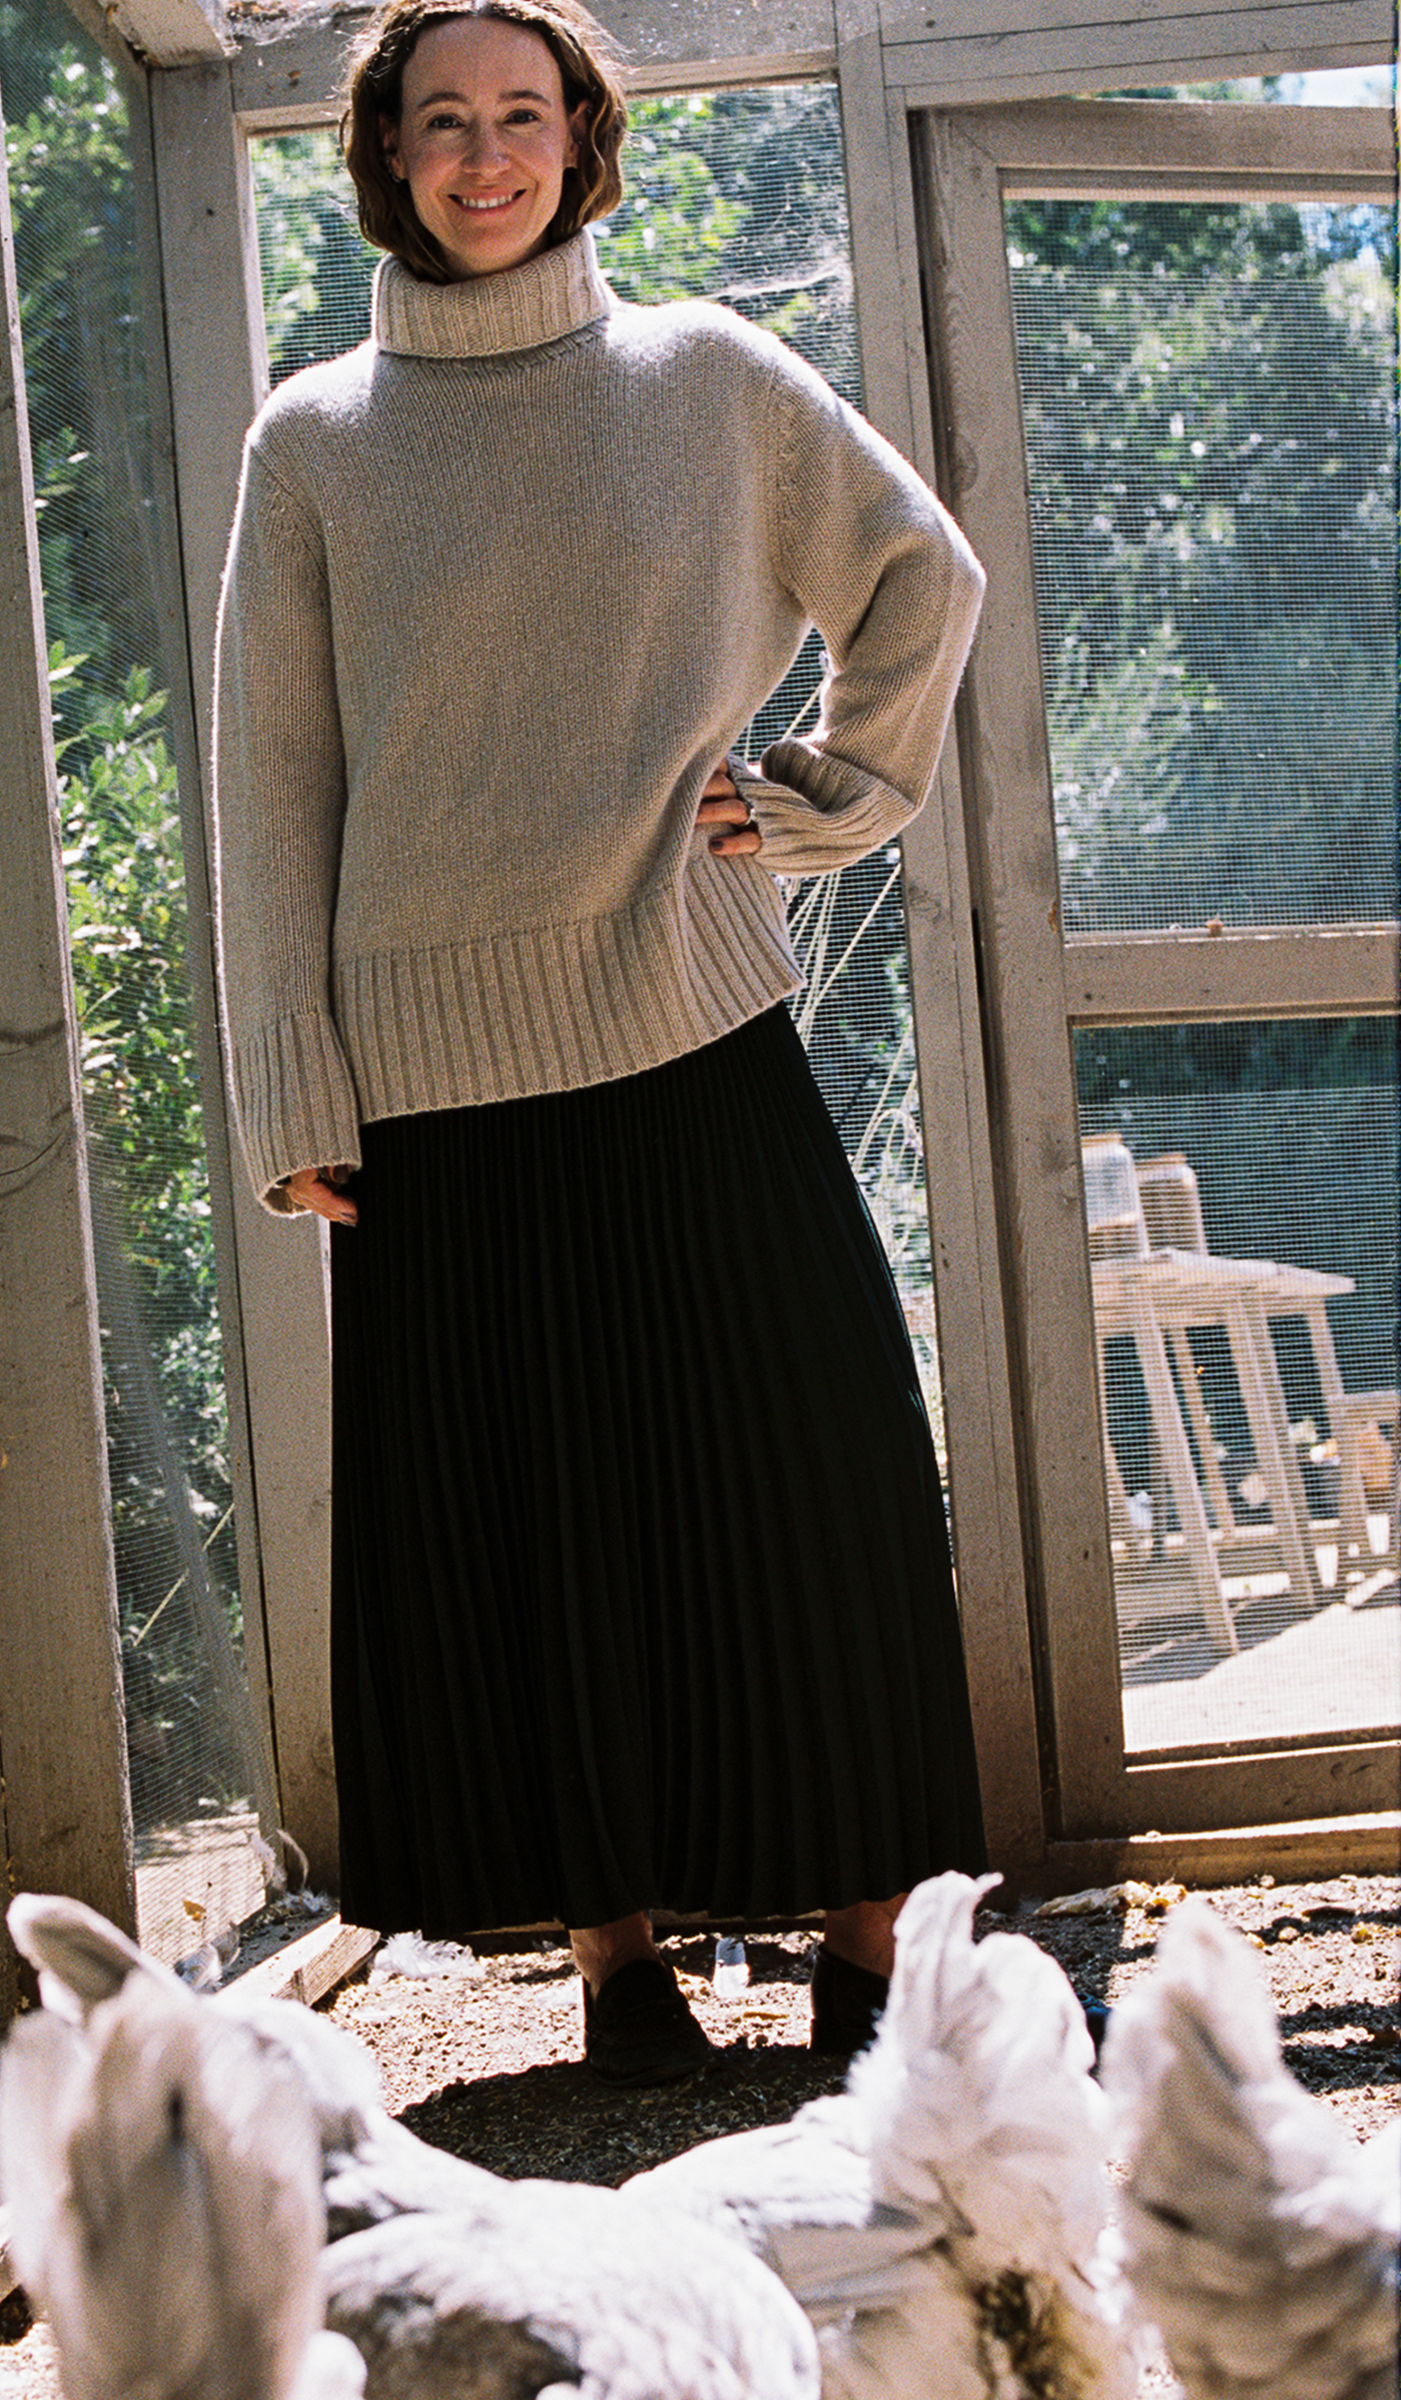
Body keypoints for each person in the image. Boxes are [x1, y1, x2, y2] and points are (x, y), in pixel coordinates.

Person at [212, 0, 991, 2087]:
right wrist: (293, 1087)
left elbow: (924, 579)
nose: (485, 156)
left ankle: (860, 1936)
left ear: (583, 141)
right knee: (520, 1526)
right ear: (382, 151)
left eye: (521, 116)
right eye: (441, 120)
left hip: (688, 1014)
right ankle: (612, 1956)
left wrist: (820, 805)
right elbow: (272, 790)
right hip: (430, 1089)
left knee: (809, 1484)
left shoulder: (707, 380)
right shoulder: (315, 439)